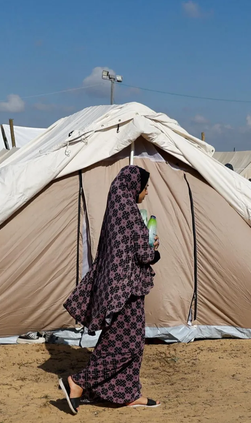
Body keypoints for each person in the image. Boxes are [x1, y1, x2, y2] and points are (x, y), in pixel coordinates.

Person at [60, 165, 161, 414]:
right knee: (130, 345)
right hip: (127, 290)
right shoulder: (129, 210)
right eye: (145, 187)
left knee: (115, 341)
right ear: (134, 186)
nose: (146, 192)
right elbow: (143, 253)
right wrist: (154, 248)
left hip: (117, 288)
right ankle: (78, 382)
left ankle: (123, 394)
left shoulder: (117, 208)